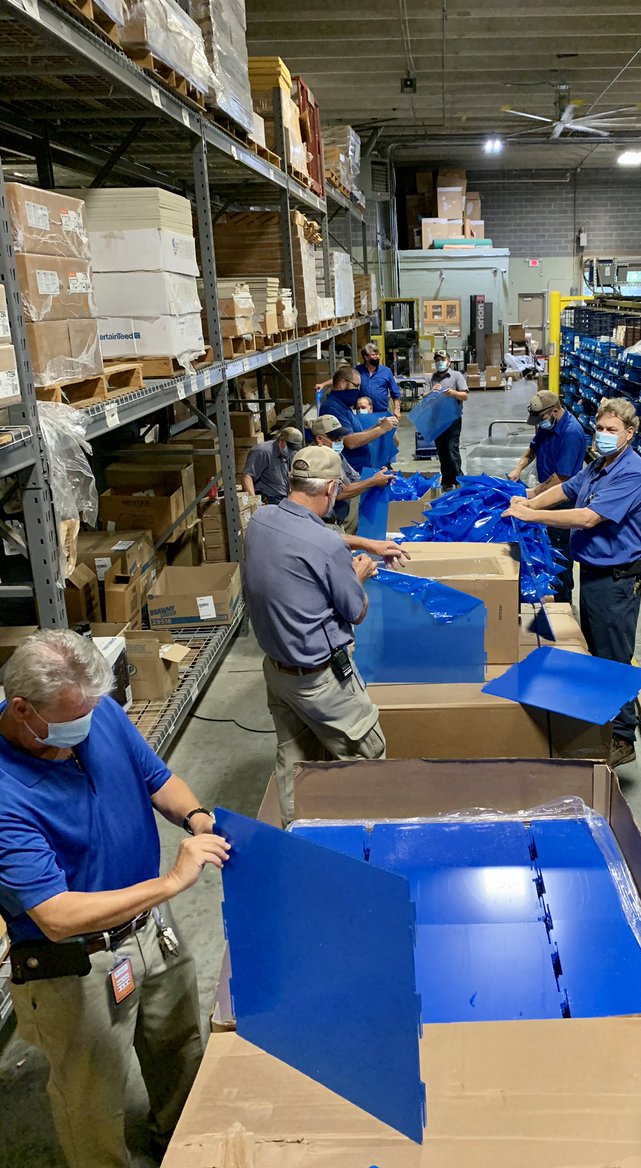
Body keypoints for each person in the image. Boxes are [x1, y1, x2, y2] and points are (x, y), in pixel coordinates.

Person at [0, 630, 229, 1168]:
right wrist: (170, 883)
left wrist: (195, 816)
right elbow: (55, 916)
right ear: (22, 711)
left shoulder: (92, 710)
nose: (83, 729)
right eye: (68, 720)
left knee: (179, 1050)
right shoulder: (6, 794)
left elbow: (156, 777)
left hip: (152, 928)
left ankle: (183, 1144)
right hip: (80, 964)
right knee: (92, 1100)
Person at [503, 397, 641, 769]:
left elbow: (587, 518)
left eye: (611, 431)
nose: (603, 435)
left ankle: (622, 738)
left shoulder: (634, 473)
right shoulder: (602, 465)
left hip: (616, 580)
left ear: (630, 434)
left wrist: (533, 517)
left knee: (614, 657)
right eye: (600, 429)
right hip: (593, 573)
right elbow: (568, 489)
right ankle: (603, 722)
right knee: (598, 650)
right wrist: (528, 500)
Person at [243, 445, 387, 827]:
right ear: (332, 489)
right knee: (369, 753)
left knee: (295, 761)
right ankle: (364, 841)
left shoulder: (261, 520)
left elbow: (304, 541)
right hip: (320, 679)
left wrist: (361, 542)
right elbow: (355, 610)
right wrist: (359, 573)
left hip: (278, 672)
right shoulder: (325, 547)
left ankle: (299, 838)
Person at [508, 390, 588, 603]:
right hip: (544, 497)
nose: (539, 424)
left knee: (558, 555)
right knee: (544, 549)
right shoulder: (548, 424)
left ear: (554, 411)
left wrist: (532, 495)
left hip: (562, 502)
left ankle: (563, 605)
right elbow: (533, 448)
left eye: (540, 419)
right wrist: (518, 468)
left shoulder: (571, 433)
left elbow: (561, 478)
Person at [308, 414, 394, 533]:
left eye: (341, 438)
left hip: (337, 522)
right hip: (322, 526)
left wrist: (379, 476)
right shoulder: (316, 460)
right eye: (335, 439)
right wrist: (372, 481)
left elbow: (354, 479)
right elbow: (338, 492)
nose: (340, 442)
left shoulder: (336, 456)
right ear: (319, 439)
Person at [319, 365, 399, 473]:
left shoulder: (344, 407)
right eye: (356, 386)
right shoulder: (333, 408)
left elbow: (355, 434)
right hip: (351, 473)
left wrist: (376, 427)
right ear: (342, 384)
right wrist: (381, 429)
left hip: (359, 471)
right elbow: (349, 442)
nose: (358, 391)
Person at [429, 350, 468, 489]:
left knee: (452, 448)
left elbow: (464, 395)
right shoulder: (432, 378)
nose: (439, 362)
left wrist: (452, 393)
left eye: (442, 359)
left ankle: (458, 479)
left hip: (453, 419)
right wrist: (431, 392)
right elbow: (424, 398)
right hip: (437, 419)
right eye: (437, 360)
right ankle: (446, 479)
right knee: (442, 450)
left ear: (449, 362)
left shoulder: (457, 376)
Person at [241, 425, 304, 505]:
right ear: (281, 441)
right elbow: (247, 477)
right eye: (290, 448)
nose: (292, 451)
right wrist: (254, 503)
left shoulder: (289, 453)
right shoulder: (263, 452)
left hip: (283, 498)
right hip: (269, 499)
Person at [357, 342, 401, 418]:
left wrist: (397, 410)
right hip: (363, 413)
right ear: (366, 357)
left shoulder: (386, 371)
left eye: (378, 354)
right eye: (374, 355)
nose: (377, 357)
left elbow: (395, 393)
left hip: (382, 412)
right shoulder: (358, 370)